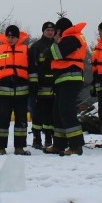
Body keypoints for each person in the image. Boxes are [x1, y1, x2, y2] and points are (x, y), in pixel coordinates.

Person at [46, 17, 87, 156]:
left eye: (57, 30)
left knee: (67, 111)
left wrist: (54, 42)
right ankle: (59, 144)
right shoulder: (67, 39)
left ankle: (76, 146)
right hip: (62, 80)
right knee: (57, 112)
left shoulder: (72, 38)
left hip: (71, 78)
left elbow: (54, 54)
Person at [0, 25, 31, 155]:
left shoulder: (26, 50)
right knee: (2, 120)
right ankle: (1, 148)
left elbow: (33, 69)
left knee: (21, 121)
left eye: (13, 36)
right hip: (3, 92)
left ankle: (19, 147)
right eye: (9, 36)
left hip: (22, 91)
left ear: (18, 37)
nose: (11, 39)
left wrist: (34, 84)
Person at [28, 21, 56, 149]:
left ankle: (49, 138)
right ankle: (36, 139)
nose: (50, 32)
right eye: (47, 30)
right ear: (43, 31)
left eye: (52, 30)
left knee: (50, 114)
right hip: (39, 86)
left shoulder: (57, 45)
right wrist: (34, 84)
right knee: (37, 114)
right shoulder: (36, 46)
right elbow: (32, 66)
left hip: (53, 86)